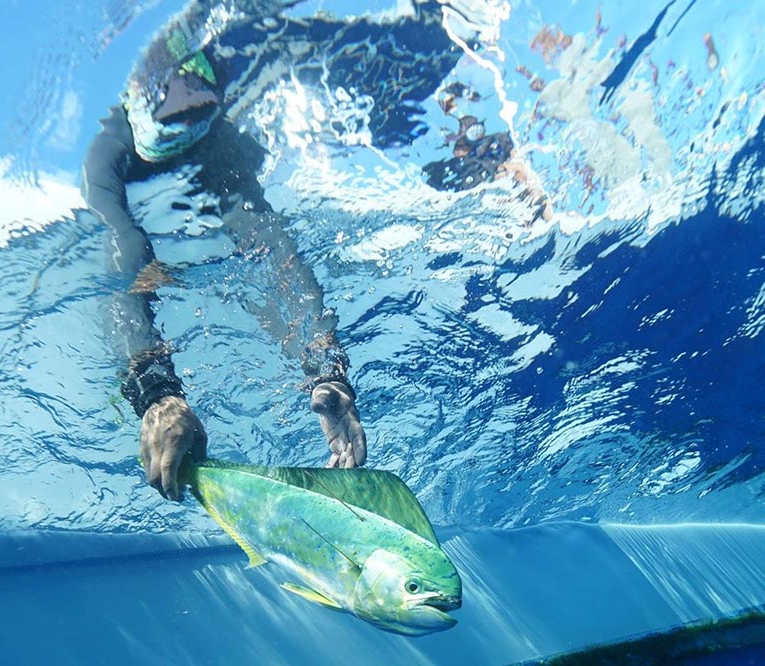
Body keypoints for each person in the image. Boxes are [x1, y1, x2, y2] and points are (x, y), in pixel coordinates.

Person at [81, 0, 510, 500]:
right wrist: (157, 395)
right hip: (174, 96)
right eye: (172, 125)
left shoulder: (217, 135)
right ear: (138, 104)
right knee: (132, 246)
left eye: (197, 117)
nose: (183, 135)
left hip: (222, 124)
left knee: (256, 222)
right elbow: (124, 252)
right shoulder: (108, 154)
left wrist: (327, 371)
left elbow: (274, 249)